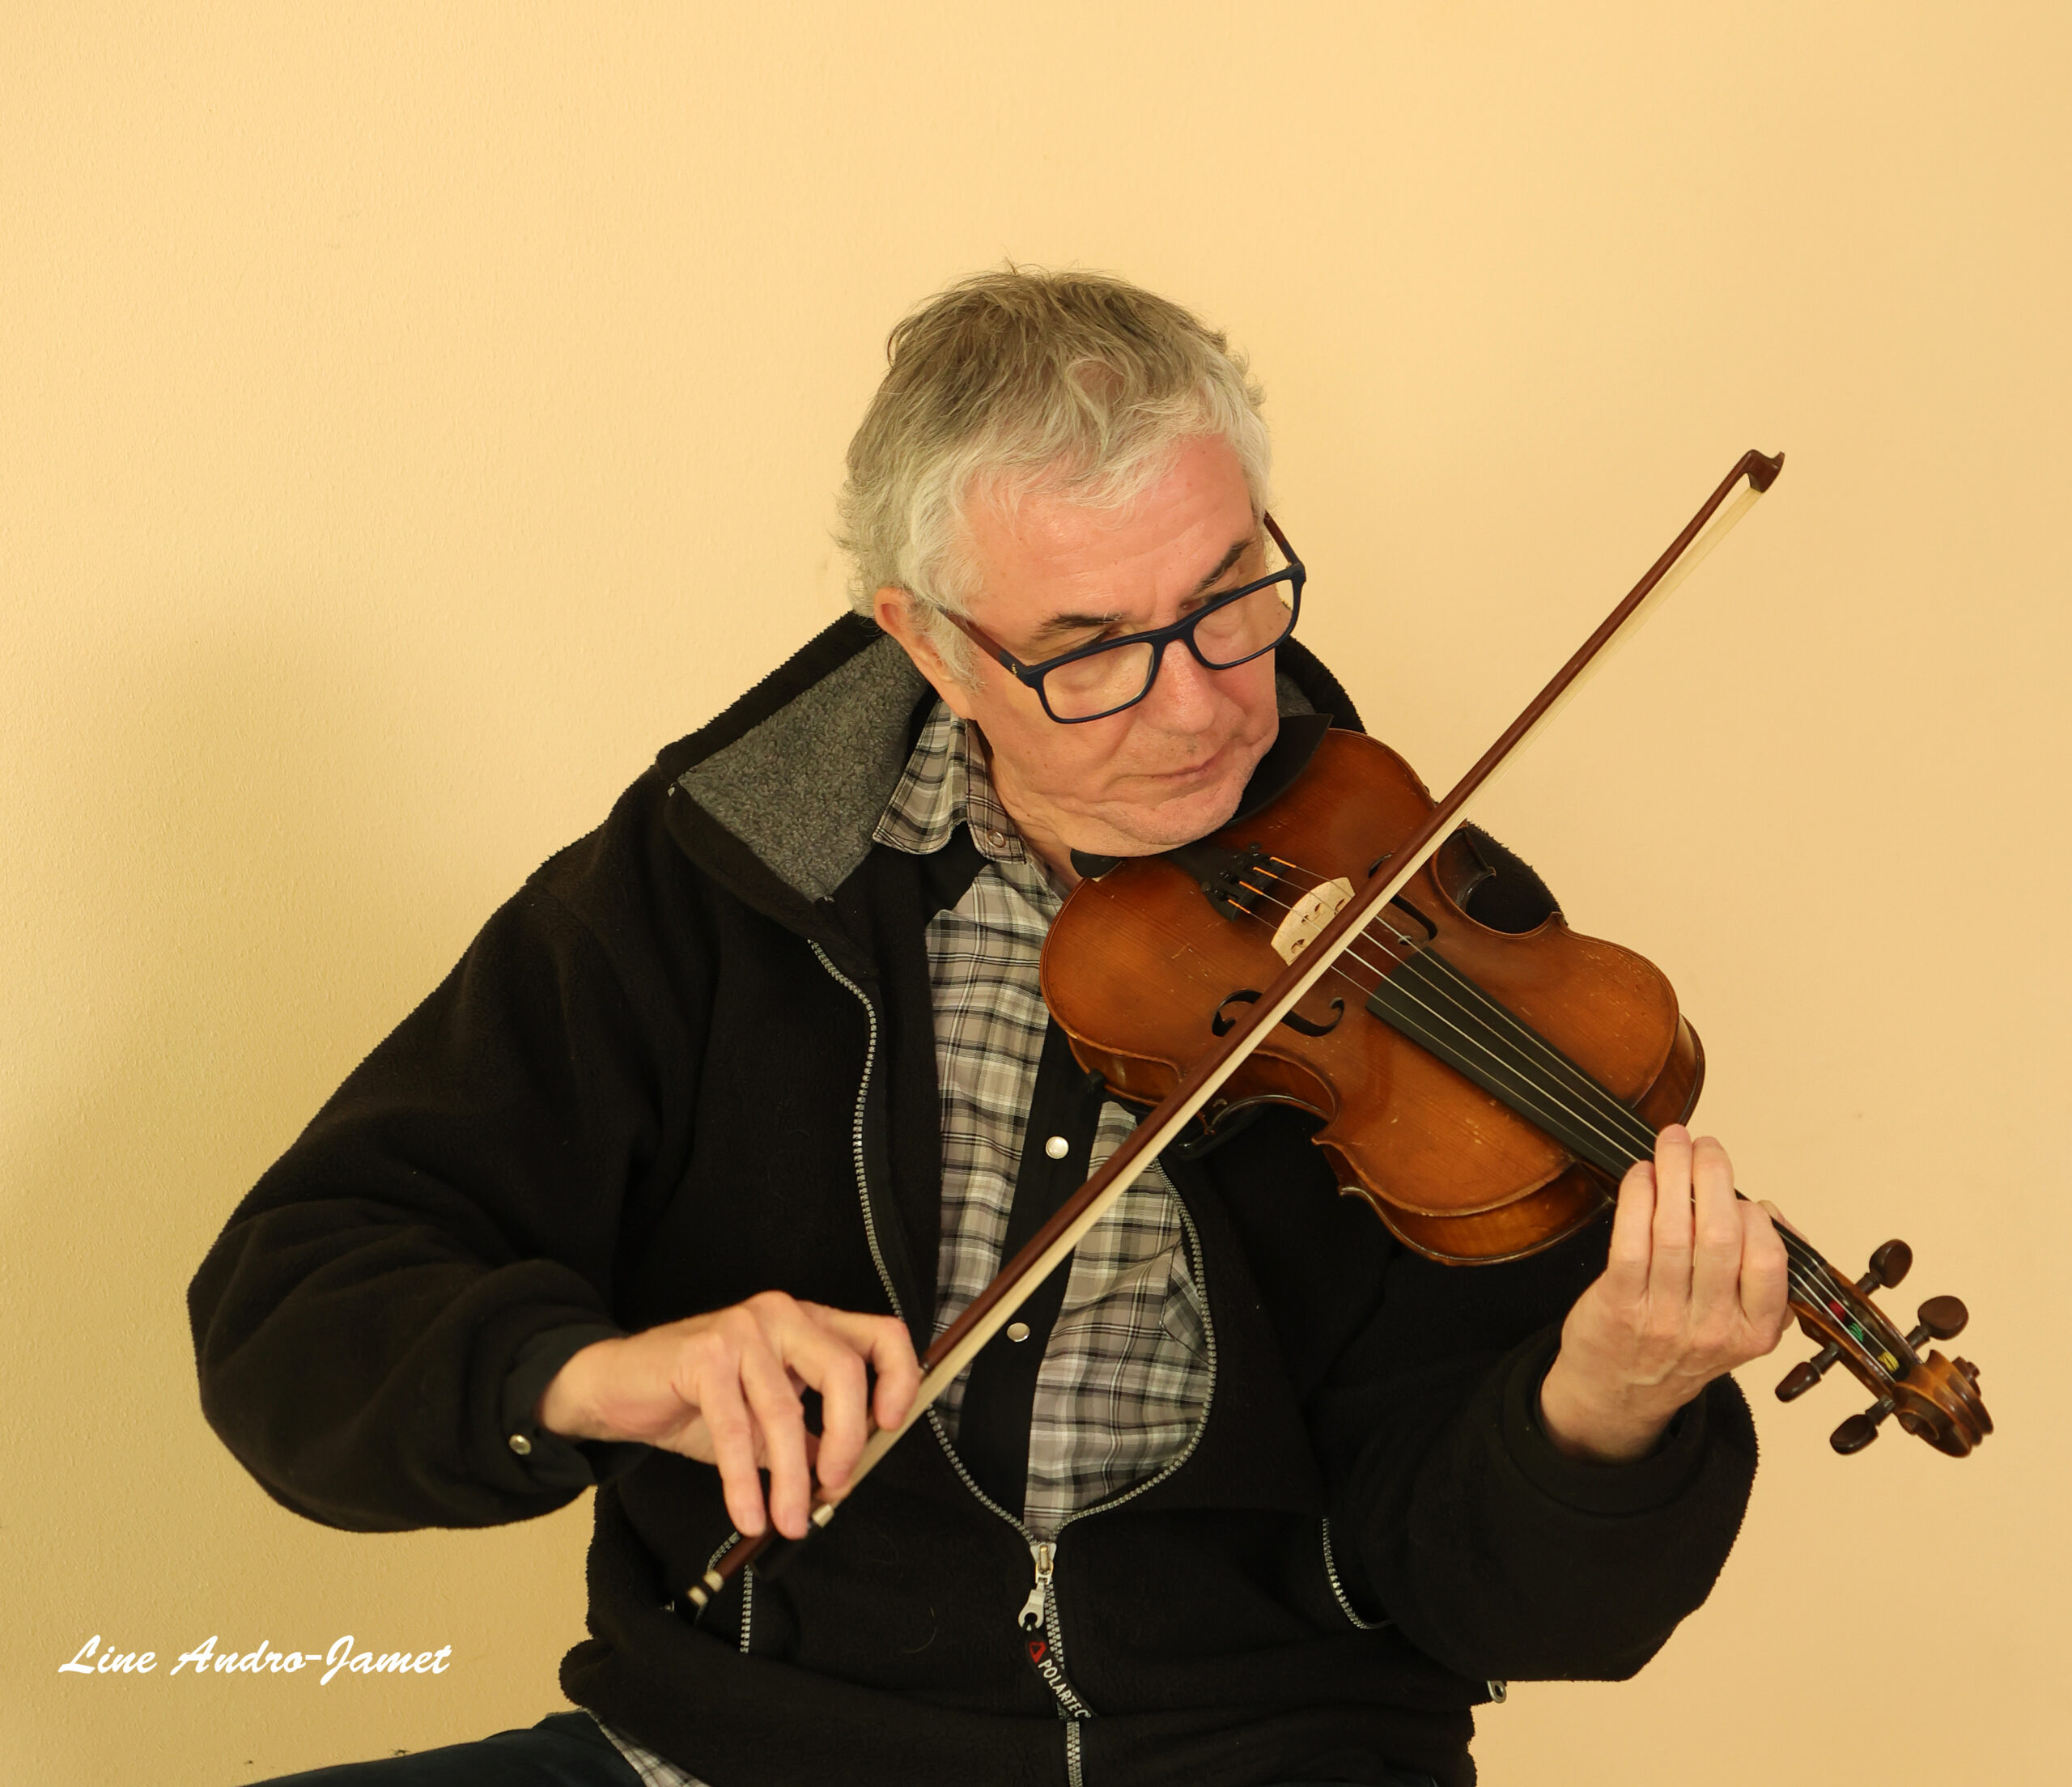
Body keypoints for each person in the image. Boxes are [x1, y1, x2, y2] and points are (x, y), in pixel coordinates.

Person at [189, 268, 1790, 1787]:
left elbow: (1506, 1607)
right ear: (932, 645)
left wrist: (1603, 1409)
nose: (1200, 704)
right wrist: (600, 1377)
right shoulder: (719, 879)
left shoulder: (1431, 925)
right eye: (1091, 650)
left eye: (1229, 600)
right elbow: (299, 1298)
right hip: (738, 1752)